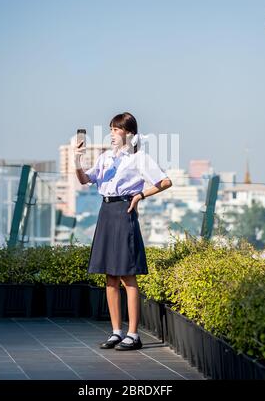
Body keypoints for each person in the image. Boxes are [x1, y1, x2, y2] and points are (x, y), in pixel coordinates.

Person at [74, 112, 172, 351]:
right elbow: (85, 180)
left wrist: (140, 195)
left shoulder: (140, 159)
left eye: (116, 130)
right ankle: (116, 331)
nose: (112, 134)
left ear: (130, 134)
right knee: (110, 276)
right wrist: (77, 161)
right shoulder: (106, 157)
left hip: (124, 210)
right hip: (105, 211)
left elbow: (165, 182)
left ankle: (133, 334)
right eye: (111, 129)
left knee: (128, 276)